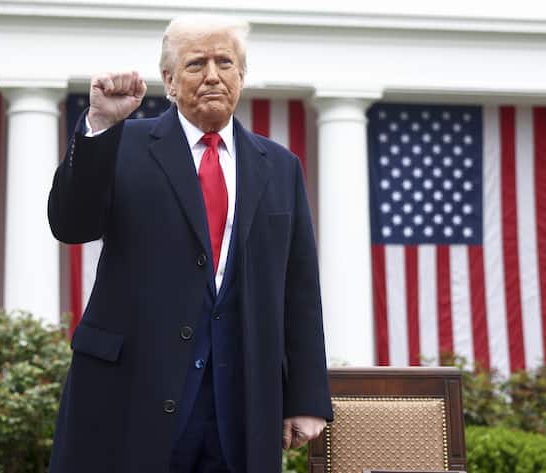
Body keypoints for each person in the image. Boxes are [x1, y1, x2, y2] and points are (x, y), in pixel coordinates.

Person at [47, 14, 332, 473]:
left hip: (240, 406)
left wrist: (306, 397)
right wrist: (99, 123)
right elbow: (70, 224)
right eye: (197, 64)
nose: (214, 75)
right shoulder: (122, 144)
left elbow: (300, 290)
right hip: (131, 395)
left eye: (226, 62)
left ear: (242, 75)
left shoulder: (280, 167)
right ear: (170, 81)